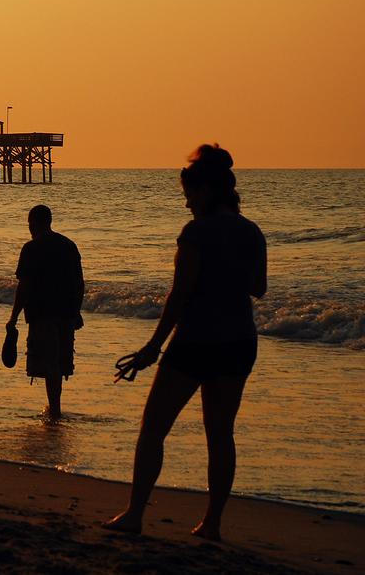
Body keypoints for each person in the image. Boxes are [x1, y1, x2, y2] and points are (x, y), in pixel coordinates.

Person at [103, 145, 266, 541]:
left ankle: (135, 513)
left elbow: (180, 295)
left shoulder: (196, 232)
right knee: (220, 434)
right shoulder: (251, 231)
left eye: (190, 194)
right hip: (240, 342)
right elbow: (257, 288)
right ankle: (212, 523)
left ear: (206, 191)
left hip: (196, 341)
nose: (187, 202)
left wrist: (152, 347)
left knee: (154, 428)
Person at [6, 205, 84, 420]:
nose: (29, 228)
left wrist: (13, 317)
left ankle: (55, 412)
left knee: (49, 363)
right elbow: (79, 283)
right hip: (66, 313)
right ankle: (55, 409)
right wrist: (77, 311)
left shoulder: (31, 248)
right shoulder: (69, 245)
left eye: (30, 224)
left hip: (42, 313)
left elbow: (24, 286)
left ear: (34, 223)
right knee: (59, 363)